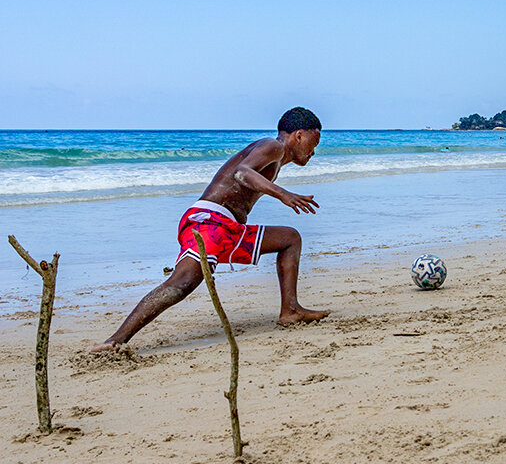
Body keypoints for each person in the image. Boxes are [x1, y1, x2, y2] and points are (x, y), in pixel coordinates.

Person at [93, 108, 329, 352]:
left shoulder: (276, 158)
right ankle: (114, 341)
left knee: (290, 238)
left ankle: (290, 310)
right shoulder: (274, 146)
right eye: (314, 140)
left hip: (230, 228)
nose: (314, 150)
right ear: (299, 135)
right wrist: (283, 194)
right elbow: (242, 172)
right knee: (183, 283)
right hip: (209, 221)